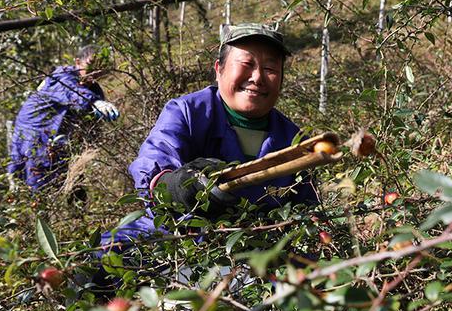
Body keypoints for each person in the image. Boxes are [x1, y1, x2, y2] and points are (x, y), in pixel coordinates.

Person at [105, 23, 317, 244]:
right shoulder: (188, 112)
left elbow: (306, 207)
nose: (257, 77)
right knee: (103, 259)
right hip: (174, 235)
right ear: (219, 70)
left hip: (255, 248)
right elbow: (155, 162)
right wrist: (175, 186)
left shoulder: (293, 140)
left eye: (270, 69)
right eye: (247, 64)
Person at [7, 45, 120, 191]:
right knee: (38, 187)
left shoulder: (93, 89)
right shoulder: (62, 76)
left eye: (100, 66)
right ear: (78, 62)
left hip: (59, 144)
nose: (96, 70)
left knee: (72, 188)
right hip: (34, 136)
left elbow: (91, 125)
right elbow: (71, 92)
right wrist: (93, 102)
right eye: (91, 64)